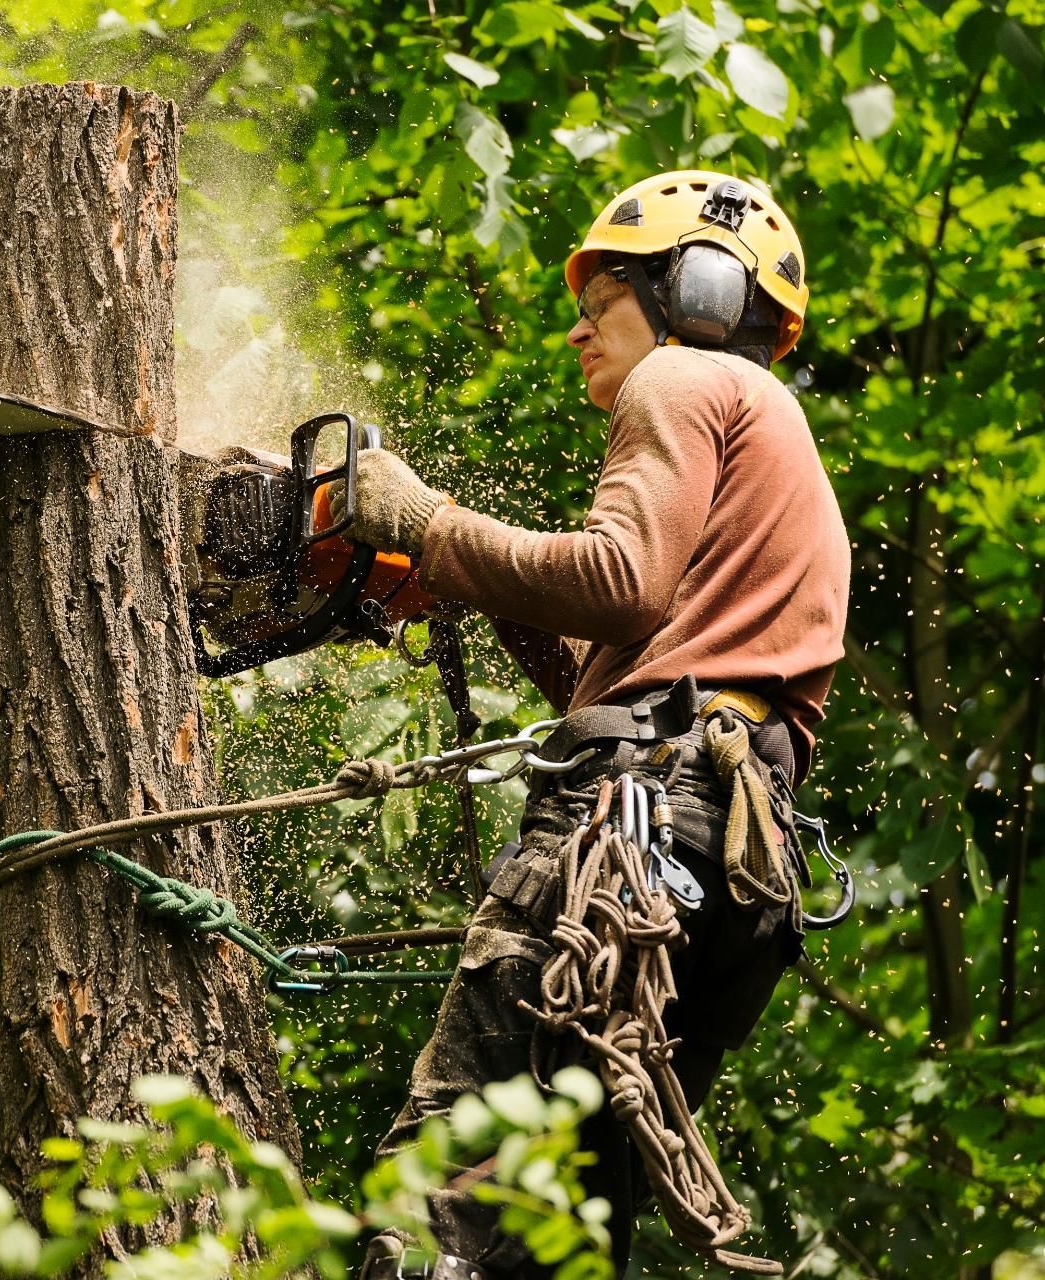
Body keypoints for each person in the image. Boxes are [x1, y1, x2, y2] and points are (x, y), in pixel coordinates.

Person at [349, 171, 852, 1279]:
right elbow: (628, 666)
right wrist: (462, 577)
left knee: (430, 1207)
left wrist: (427, 521)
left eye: (604, 298)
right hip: (723, 865)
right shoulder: (777, 438)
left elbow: (622, 580)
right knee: (547, 1239)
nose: (578, 326)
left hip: (623, 836)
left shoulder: (682, 377)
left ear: (699, 291)